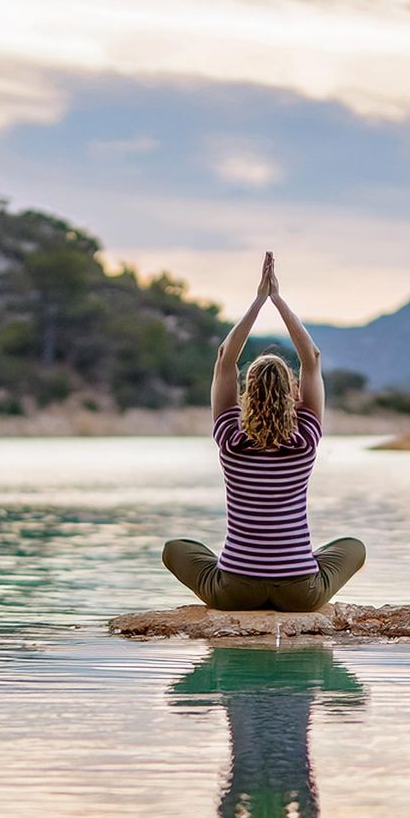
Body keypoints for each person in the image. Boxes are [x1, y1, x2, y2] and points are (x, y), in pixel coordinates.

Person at [162, 252, 367, 611]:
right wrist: (278, 299)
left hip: (235, 592)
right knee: (353, 547)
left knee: (175, 548)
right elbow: (312, 359)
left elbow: (226, 357)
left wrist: (258, 301)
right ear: (292, 393)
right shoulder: (305, 438)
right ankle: (297, 563)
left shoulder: (230, 435)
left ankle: (258, 570)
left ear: (247, 392)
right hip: (300, 593)